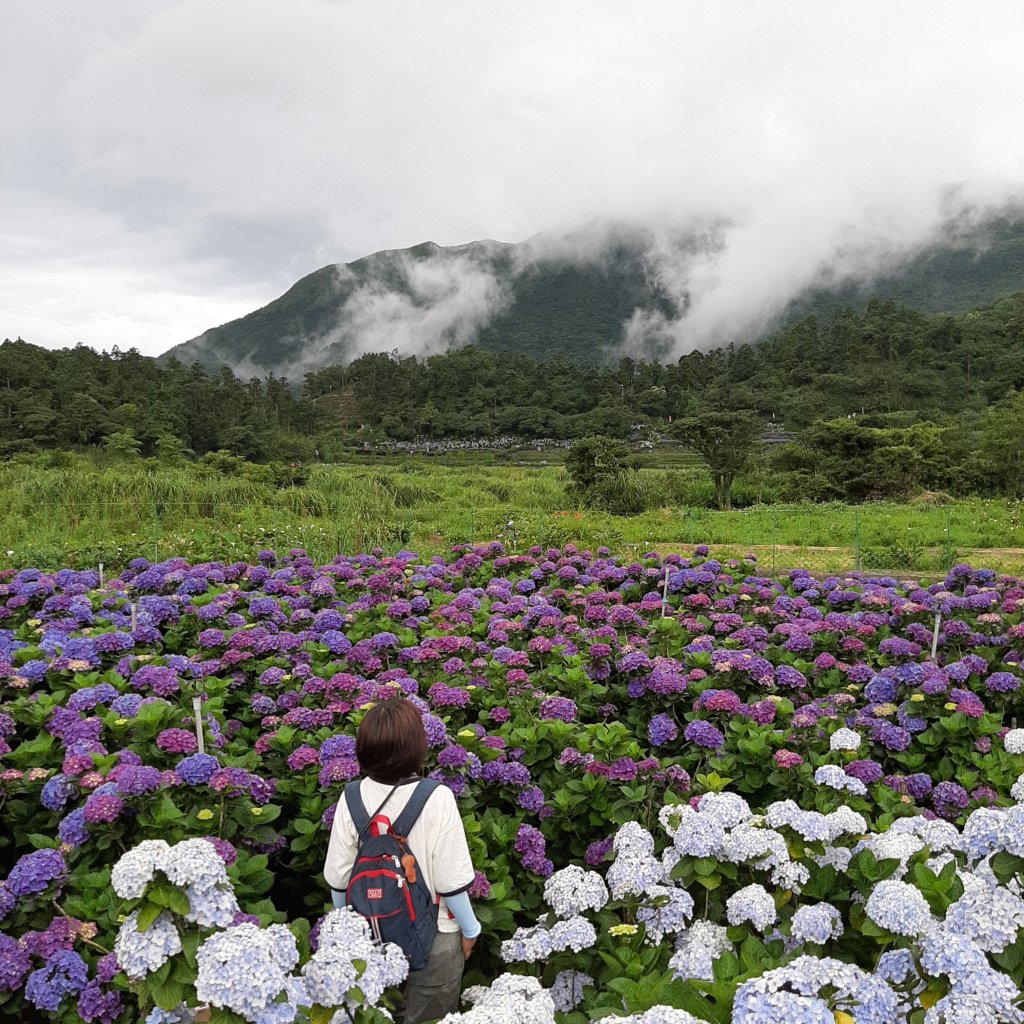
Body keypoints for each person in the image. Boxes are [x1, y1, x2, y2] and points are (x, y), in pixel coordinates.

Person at [323, 698, 481, 1024]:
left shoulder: (350, 796)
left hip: (372, 937)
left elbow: (339, 881)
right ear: (417, 747)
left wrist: (350, 936)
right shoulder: (437, 797)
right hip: (434, 936)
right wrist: (470, 930)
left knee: (378, 1015)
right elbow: (451, 882)